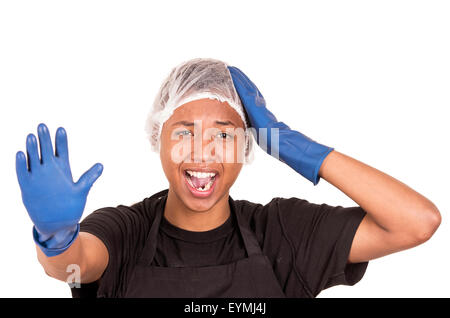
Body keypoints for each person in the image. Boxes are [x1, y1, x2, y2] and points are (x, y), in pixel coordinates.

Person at [15, 58, 441, 298]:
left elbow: (417, 222)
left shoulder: (283, 233)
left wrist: (296, 146)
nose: (203, 151)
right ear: (157, 139)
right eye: (184, 133)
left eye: (224, 134)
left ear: (250, 145)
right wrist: (57, 240)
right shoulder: (124, 231)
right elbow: (70, 270)